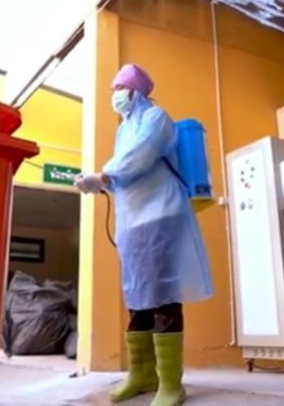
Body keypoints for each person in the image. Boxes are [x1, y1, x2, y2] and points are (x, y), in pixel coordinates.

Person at [75, 64, 213, 406]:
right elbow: (125, 170)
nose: (114, 95)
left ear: (136, 91)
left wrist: (102, 177)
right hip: (133, 223)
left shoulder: (156, 118)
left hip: (161, 215)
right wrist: (99, 183)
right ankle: (142, 375)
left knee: (164, 295)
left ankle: (171, 385)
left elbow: (138, 157)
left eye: (119, 88)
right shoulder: (124, 129)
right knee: (137, 297)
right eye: (112, 89)